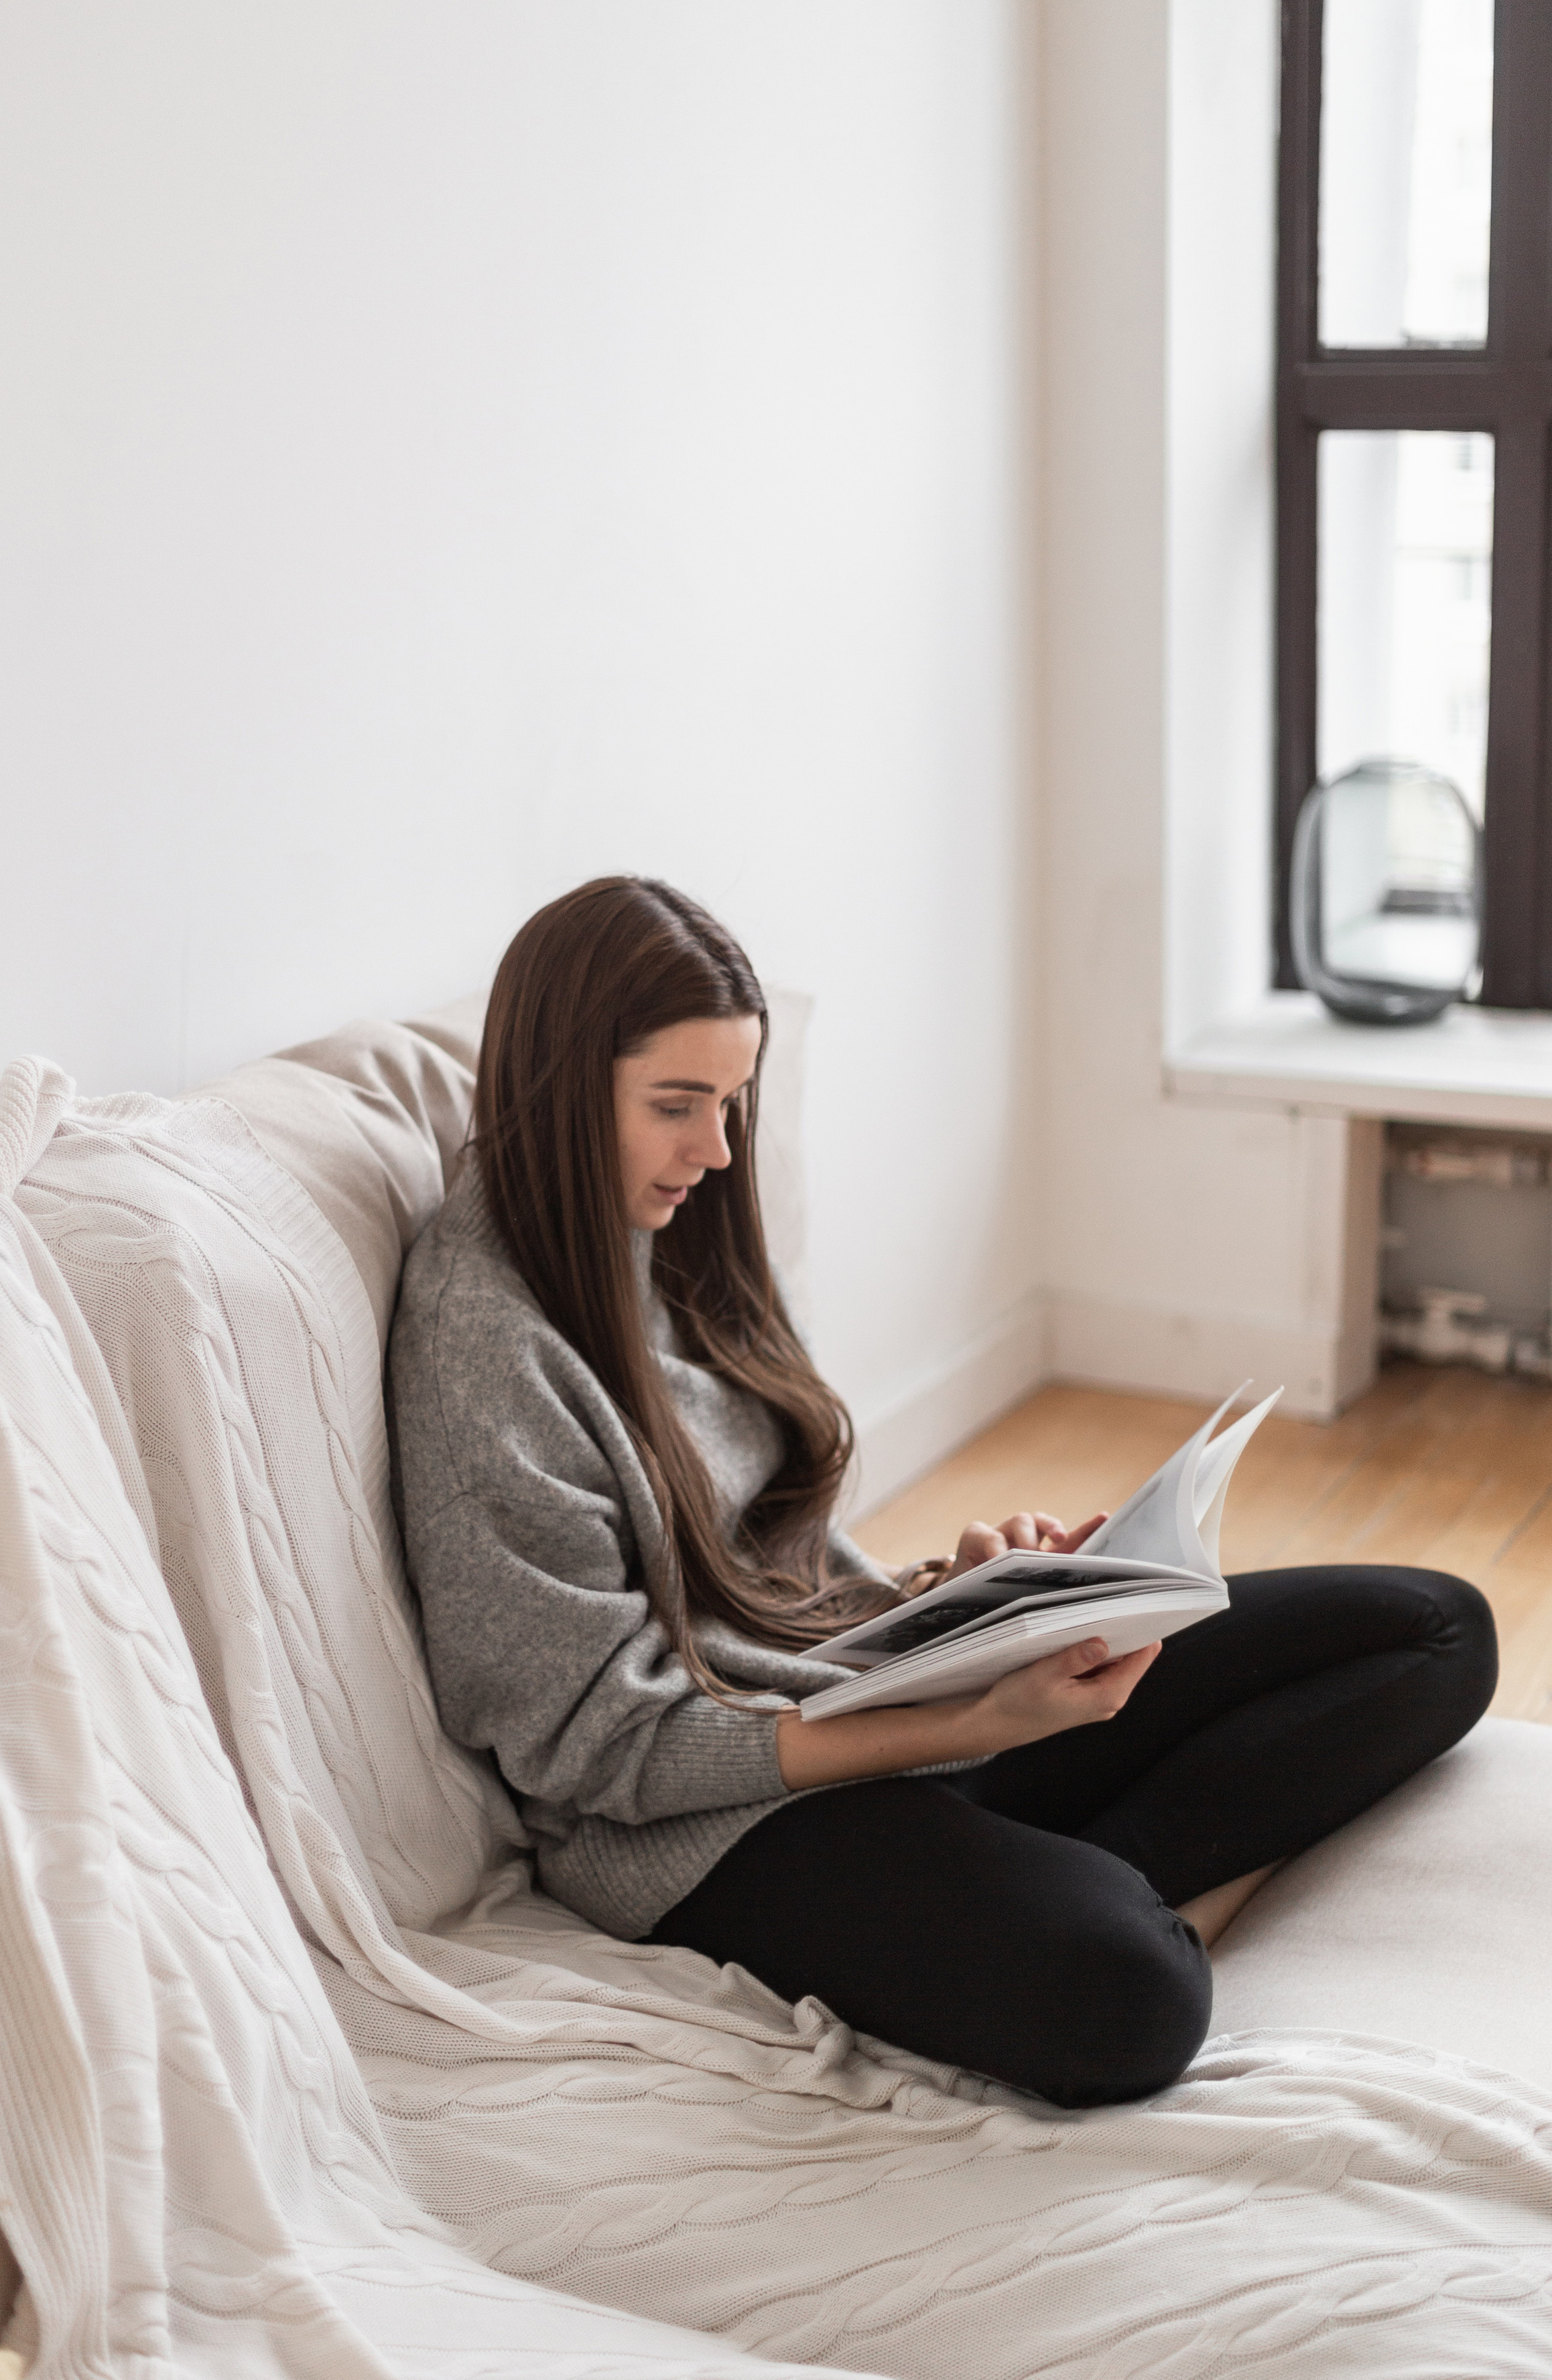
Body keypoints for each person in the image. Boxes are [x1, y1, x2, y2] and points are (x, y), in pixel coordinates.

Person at [388, 876, 1498, 2107]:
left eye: (732, 1104)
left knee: (1438, 1630)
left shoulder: (672, 1228)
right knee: (1133, 2001)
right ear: (553, 1089)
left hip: (868, 1694)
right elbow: (600, 1751)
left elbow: (776, 1551)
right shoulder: (481, 1339)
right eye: (677, 1106)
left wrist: (951, 1600)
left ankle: (1050, 1864)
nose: (716, 1150)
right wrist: (972, 1724)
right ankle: (1070, 1882)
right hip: (707, 1818)